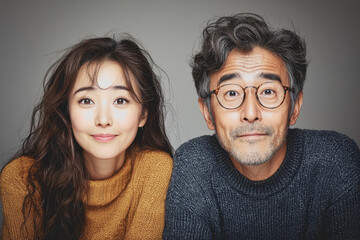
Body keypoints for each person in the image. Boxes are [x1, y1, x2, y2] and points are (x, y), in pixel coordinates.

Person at [163, 13, 360, 239]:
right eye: (231, 93)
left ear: (294, 107)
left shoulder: (335, 162)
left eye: (268, 91)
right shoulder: (194, 166)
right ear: (207, 112)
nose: (250, 113)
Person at [0, 35, 173, 239]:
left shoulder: (154, 169)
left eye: (120, 100)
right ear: (66, 111)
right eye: (86, 101)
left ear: (144, 114)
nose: (103, 119)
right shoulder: (22, 178)